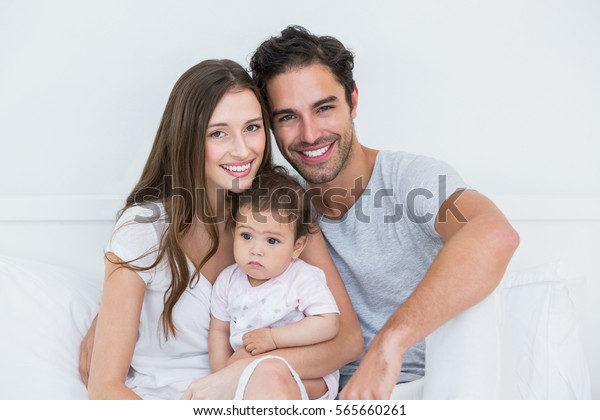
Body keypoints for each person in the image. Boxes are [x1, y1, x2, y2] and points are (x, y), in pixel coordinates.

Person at [248, 25, 520, 399]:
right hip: (325, 393)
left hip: (424, 387)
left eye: (324, 108)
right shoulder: (281, 208)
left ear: (353, 101)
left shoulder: (411, 178)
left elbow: (494, 234)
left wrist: (390, 344)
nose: (310, 134)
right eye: (288, 117)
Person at [83, 59, 363, 399]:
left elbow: (347, 341)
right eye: (218, 133)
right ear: (187, 138)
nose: (243, 149)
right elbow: (104, 387)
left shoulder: (281, 207)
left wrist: (239, 373)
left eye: (252, 127)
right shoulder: (143, 232)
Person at [210, 170, 341, 400]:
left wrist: (274, 338)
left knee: (270, 381)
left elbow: (328, 323)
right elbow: (219, 330)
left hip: (309, 376)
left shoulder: (301, 278)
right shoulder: (228, 280)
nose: (256, 250)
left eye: (272, 241)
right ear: (234, 232)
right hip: (249, 372)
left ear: (296, 247)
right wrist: (222, 376)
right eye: (246, 236)